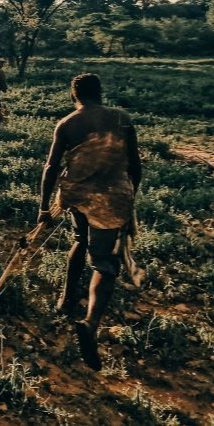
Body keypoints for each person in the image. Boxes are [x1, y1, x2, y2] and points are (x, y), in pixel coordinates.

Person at [39, 73, 142, 371]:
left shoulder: (68, 123)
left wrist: (44, 206)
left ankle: (65, 300)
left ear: (75, 95)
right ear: (100, 92)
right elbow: (135, 165)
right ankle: (90, 323)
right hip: (112, 198)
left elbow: (51, 167)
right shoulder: (122, 119)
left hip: (76, 194)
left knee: (79, 242)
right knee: (105, 264)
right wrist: (130, 195)